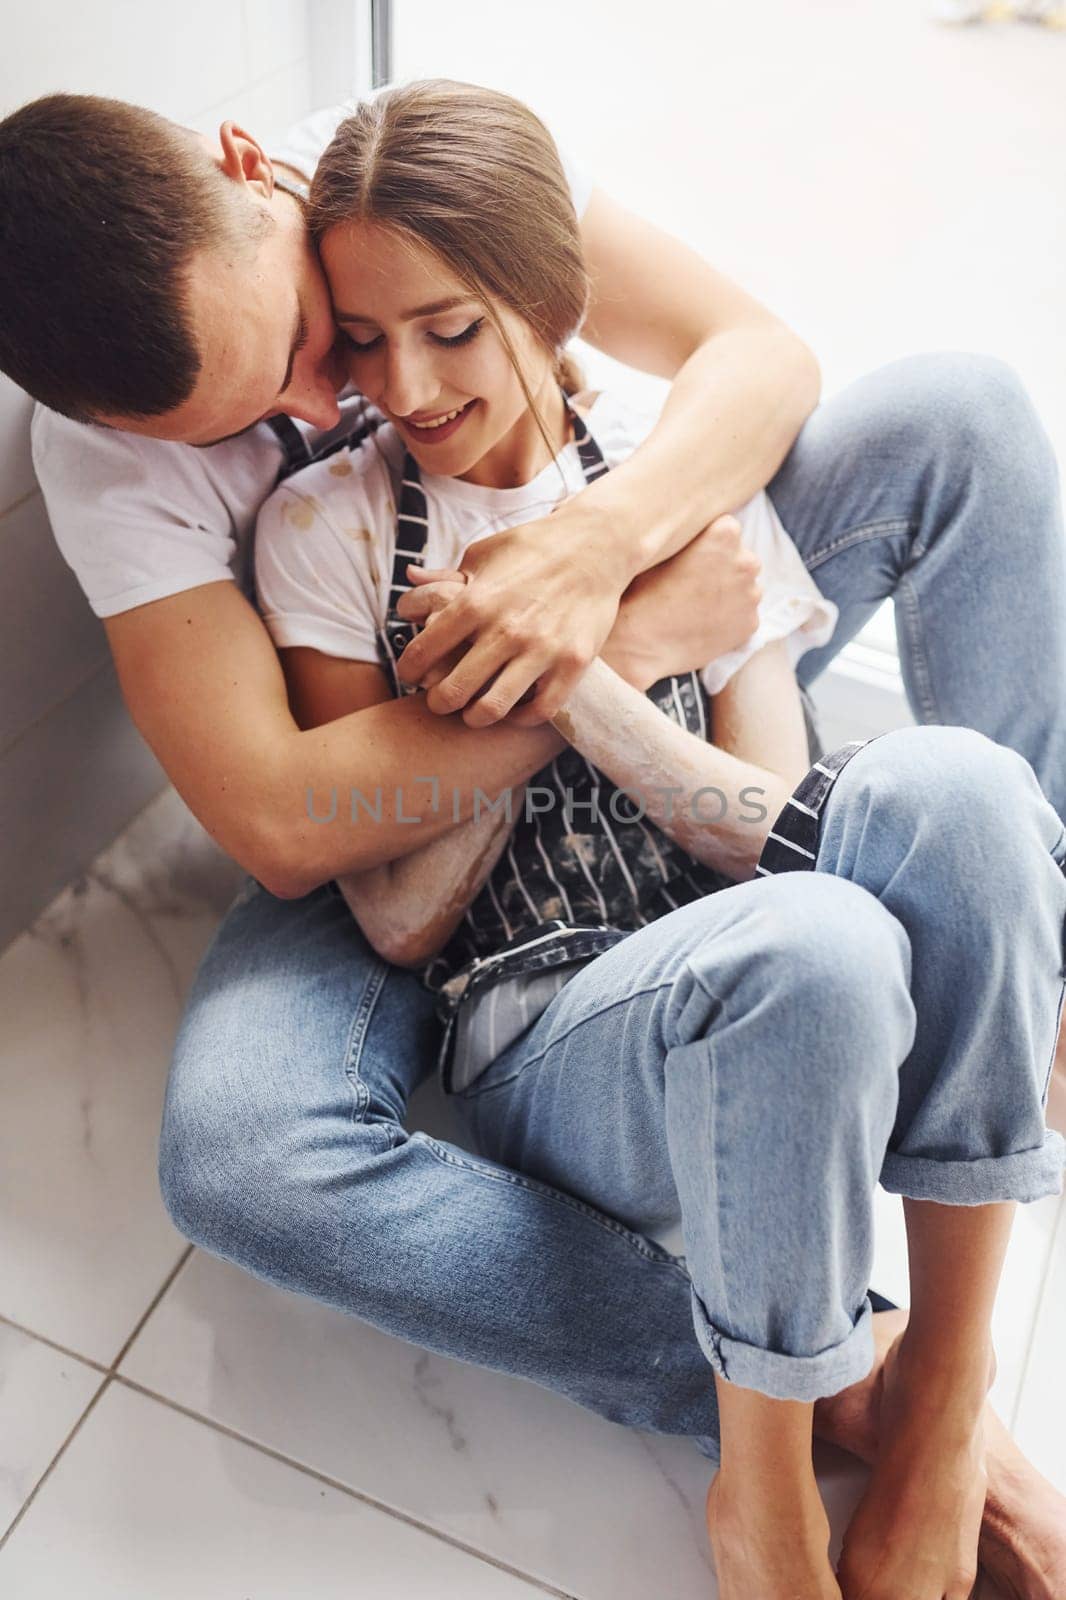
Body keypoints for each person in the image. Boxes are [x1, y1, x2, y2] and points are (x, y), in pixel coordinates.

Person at [1, 85, 1065, 1597]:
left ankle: (1027, 980)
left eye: (311, 340)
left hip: (639, 632)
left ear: (256, 170)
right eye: (251, 421)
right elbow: (280, 821)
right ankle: (850, 1375)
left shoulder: (409, 170)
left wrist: (597, 551)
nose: (330, 404)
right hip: (374, 777)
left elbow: (757, 355)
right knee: (243, 1157)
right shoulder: (154, 471)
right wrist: (610, 654)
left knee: (961, 416)